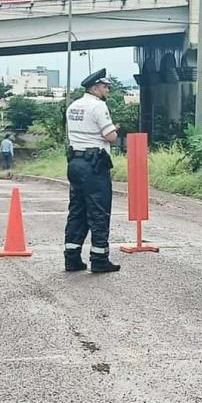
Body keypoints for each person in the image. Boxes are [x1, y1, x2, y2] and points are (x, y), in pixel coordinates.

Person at [63, 68, 121, 273]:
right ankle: (99, 258)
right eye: (105, 86)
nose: (107, 90)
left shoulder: (73, 107)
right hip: (94, 165)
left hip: (75, 163)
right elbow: (110, 136)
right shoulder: (98, 107)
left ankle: (71, 257)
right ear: (95, 87)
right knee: (98, 211)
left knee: (77, 210)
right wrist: (115, 129)